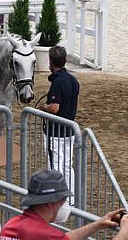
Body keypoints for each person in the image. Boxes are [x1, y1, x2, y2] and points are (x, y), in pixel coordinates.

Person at [0, 169, 128, 240]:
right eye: (63, 200)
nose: (64, 205)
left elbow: (64, 239)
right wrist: (124, 233)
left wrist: (97, 225)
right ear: (51, 203)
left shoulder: (14, 224)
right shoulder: (41, 233)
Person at [39, 46, 79, 203]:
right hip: (69, 130)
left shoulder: (58, 82)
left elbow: (55, 108)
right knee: (67, 165)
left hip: (55, 132)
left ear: (50, 62)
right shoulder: (73, 80)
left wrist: (44, 108)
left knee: (55, 164)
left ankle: (56, 199)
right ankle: (70, 199)